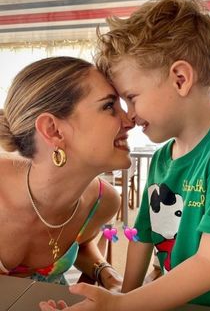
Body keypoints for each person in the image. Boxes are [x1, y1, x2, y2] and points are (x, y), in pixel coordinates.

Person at [39, 0, 210, 311]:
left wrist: (122, 306)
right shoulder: (162, 158)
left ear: (180, 79)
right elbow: (143, 236)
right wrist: (118, 298)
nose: (128, 117)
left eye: (131, 97)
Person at [0, 56, 135, 290]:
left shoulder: (104, 202)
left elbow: (80, 244)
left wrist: (107, 274)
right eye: (108, 106)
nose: (129, 119)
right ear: (53, 130)